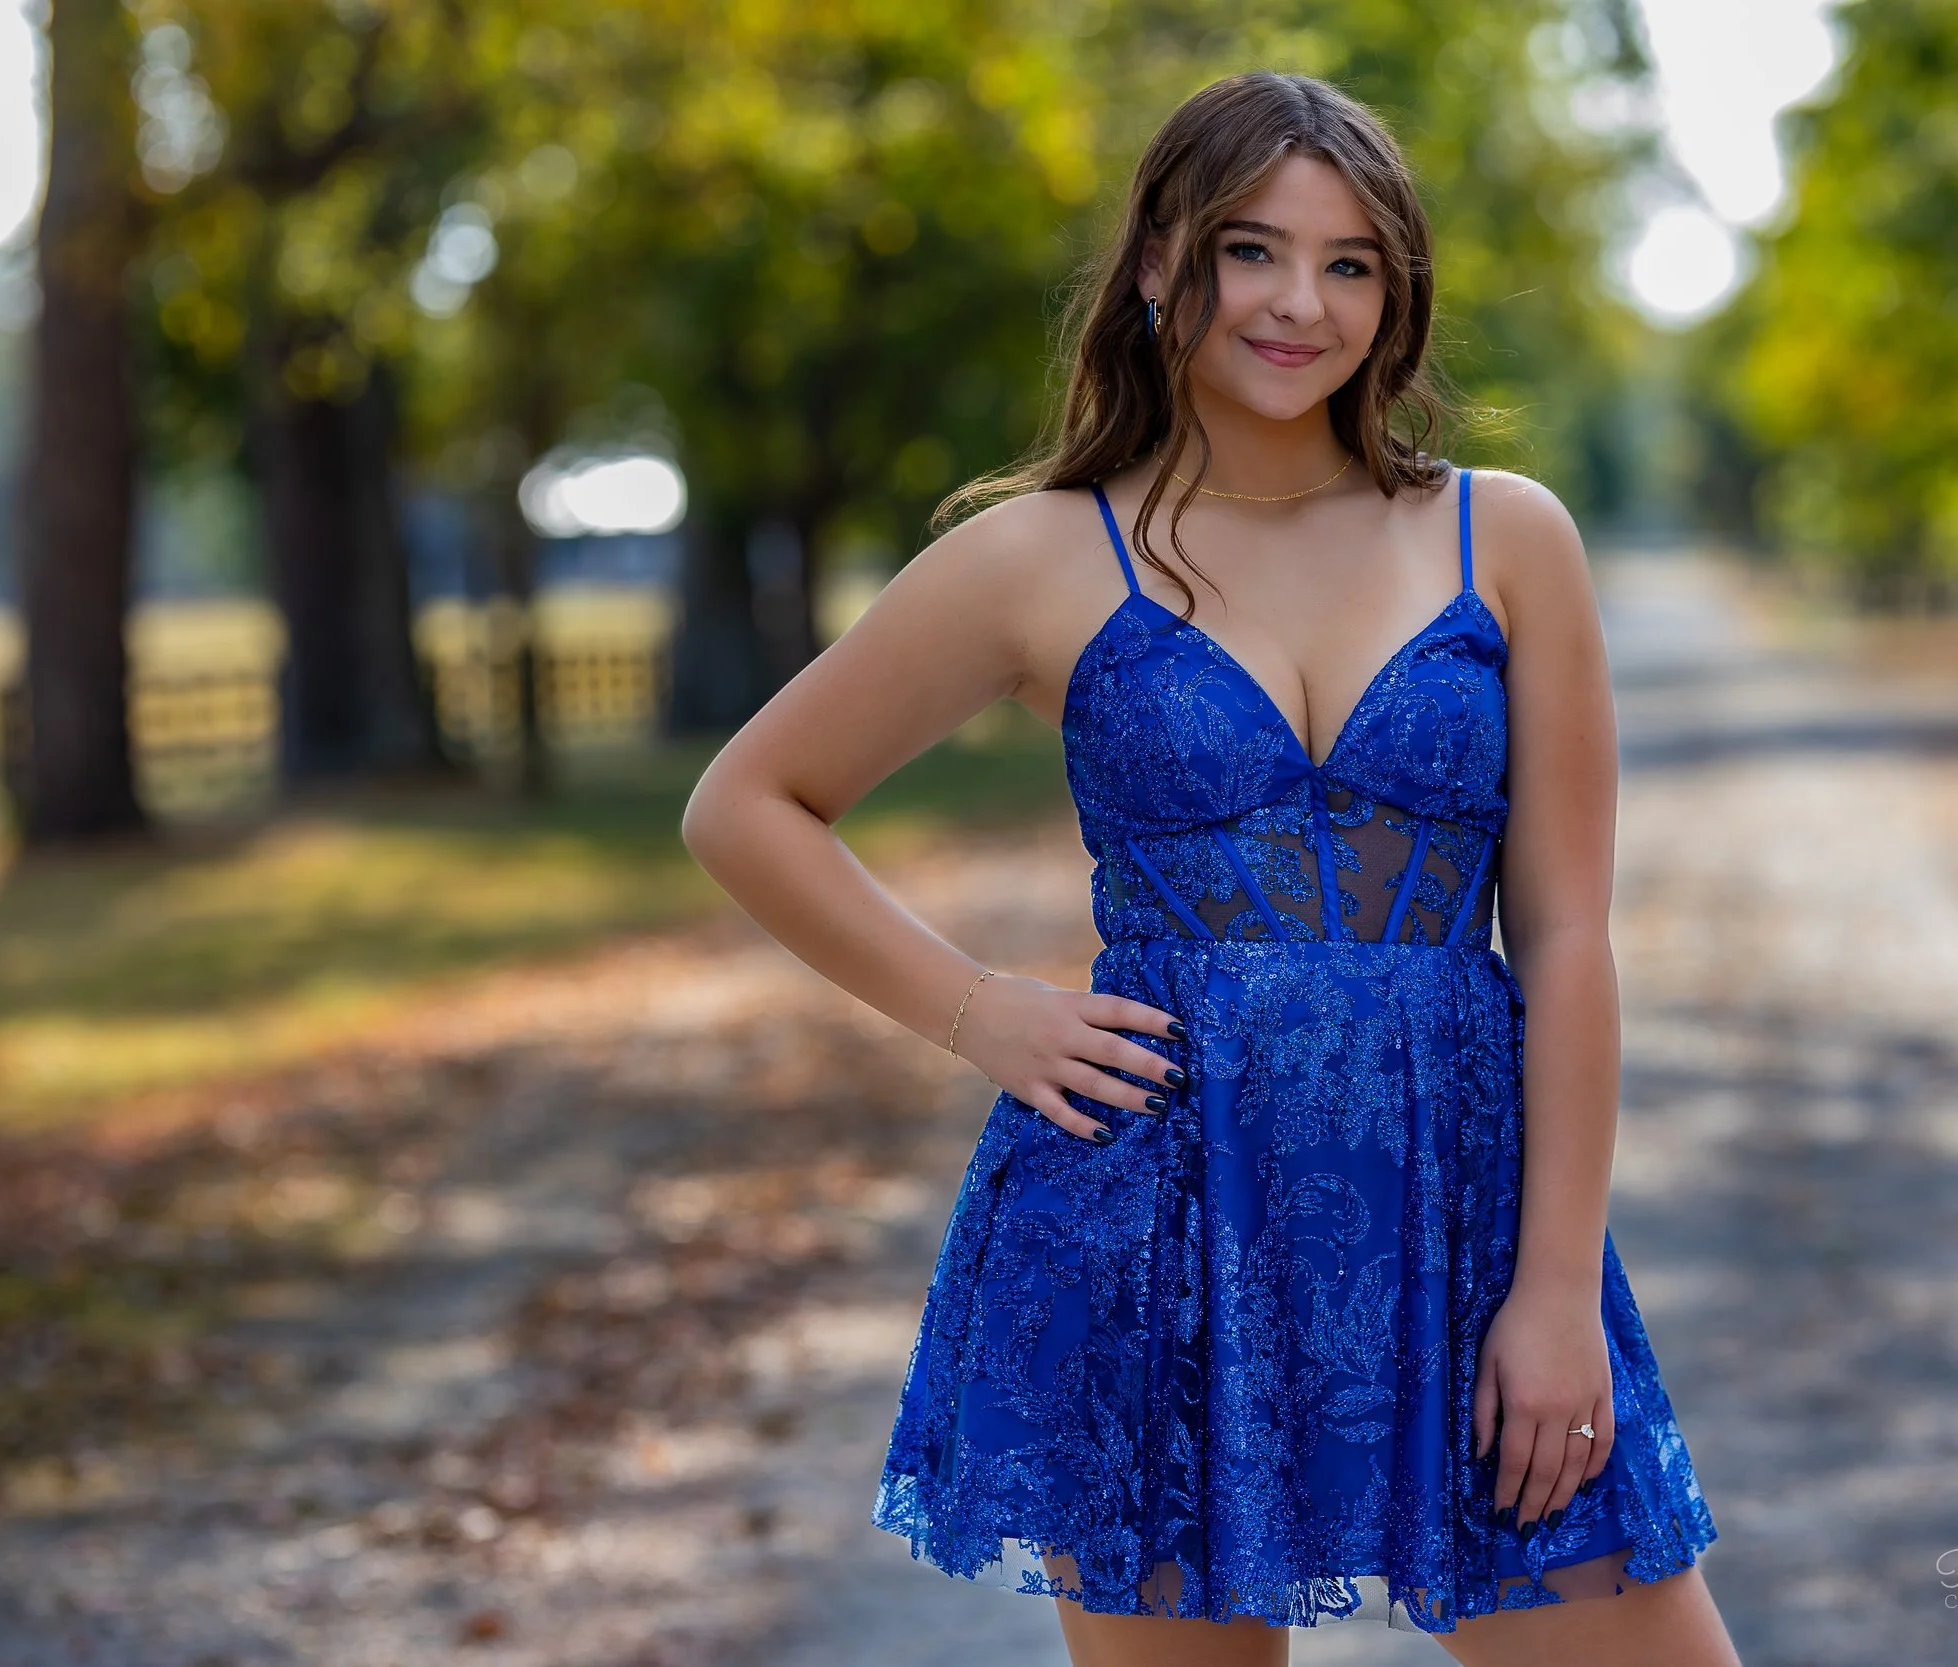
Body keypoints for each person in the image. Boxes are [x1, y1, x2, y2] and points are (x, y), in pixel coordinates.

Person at [681, 69, 1740, 1667]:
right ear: (1162, 265)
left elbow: (1570, 937)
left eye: (1353, 262)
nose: (1301, 302)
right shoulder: (1038, 555)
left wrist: (1557, 1286)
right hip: (1157, 1221)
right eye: (1254, 251)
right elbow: (748, 801)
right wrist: (981, 1012)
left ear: (1397, 295)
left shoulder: (1501, 536)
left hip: (1463, 1210)